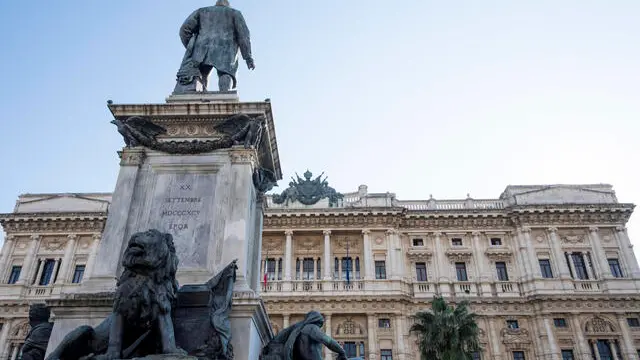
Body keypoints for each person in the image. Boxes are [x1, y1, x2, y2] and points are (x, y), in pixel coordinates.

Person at [173, 0, 255, 93]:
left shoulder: (201, 11)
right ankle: (225, 98)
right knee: (225, 73)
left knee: (202, 74)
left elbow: (184, 30)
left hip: (201, 50)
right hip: (226, 51)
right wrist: (248, 57)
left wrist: (192, 48)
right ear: (228, 4)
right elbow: (244, 36)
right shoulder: (235, 13)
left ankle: (201, 94)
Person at [260, 311, 348, 360]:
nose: (319, 327)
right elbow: (328, 341)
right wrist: (341, 351)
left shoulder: (298, 329)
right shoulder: (311, 328)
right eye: (319, 324)